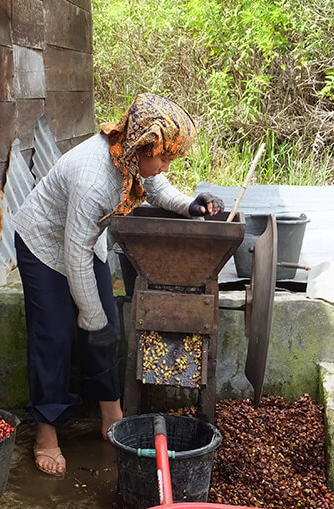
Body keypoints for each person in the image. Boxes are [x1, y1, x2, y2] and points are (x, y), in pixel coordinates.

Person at [13, 93, 224, 476]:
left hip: (81, 242)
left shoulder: (131, 151)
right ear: (142, 146)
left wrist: (191, 205)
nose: (164, 164)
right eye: (162, 157)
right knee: (54, 337)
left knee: (106, 328)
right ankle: (46, 432)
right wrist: (90, 317)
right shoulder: (93, 177)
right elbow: (72, 253)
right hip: (42, 245)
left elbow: (157, 187)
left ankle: (111, 414)